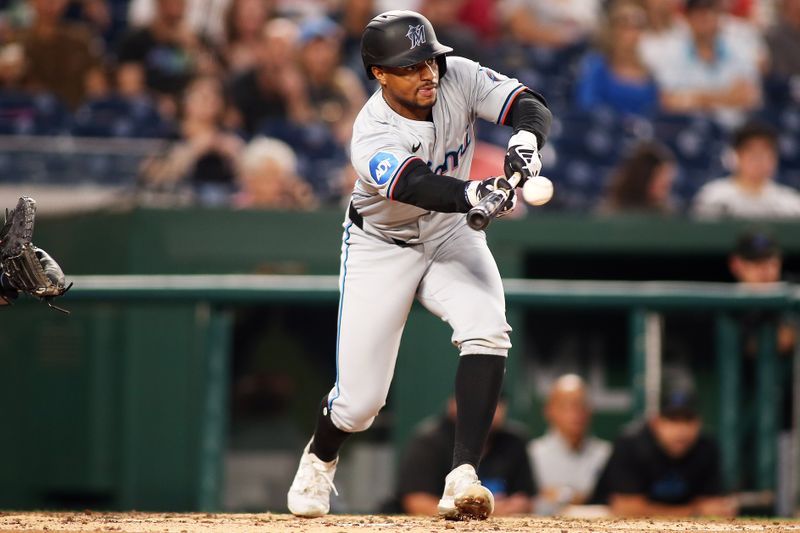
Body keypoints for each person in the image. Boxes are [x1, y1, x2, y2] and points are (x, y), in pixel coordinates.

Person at [285, 9, 552, 521]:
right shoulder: (370, 132)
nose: (427, 73)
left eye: (429, 59)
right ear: (379, 74)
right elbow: (412, 184)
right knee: (360, 405)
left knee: (488, 329)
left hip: (450, 234)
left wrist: (524, 141)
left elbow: (528, 104)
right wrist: (475, 190)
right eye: (409, 66)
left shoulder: (458, 76)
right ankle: (320, 457)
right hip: (382, 244)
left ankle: (462, 476)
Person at [596, 375, 738, 517]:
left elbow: (713, 506)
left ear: (699, 423)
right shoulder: (631, 443)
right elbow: (626, 510)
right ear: (656, 422)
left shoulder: (707, 447)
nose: (681, 430)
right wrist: (695, 511)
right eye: (672, 419)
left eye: (688, 419)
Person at [395, 396, 536, 516]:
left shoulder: (513, 441)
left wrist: (500, 508)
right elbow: (416, 502)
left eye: (492, 403)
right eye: (474, 403)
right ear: (453, 404)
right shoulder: (429, 441)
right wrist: (474, 511)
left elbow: (527, 498)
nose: (482, 411)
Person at [649, 0, 762, 125]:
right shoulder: (672, 52)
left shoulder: (738, 48)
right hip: (690, 130)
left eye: (709, 12)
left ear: (719, 16)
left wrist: (697, 98)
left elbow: (750, 96)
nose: (704, 18)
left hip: (735, 129)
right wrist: (726, 96)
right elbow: (668, 101)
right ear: (687, 19)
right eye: (697, 14)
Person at [528, 374, 611, 515]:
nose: (576, 412)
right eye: (566, 405)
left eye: (581, 405)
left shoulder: (607, 454)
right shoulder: (531, 454)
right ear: (549, 410)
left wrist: (559, 496)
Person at [692, 120, 800, 219]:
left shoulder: (791, 203)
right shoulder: (713, 196)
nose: (760, 160)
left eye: (767, 154)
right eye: (753, 153)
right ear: (737, 155)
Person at [575, 1, 659, 117]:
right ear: (613, 29)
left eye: (638, 27)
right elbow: (587, 105)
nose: (632, 34)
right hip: (605, 131)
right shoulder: (596, 65)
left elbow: (653, 110)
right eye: (625, 26)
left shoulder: (648, 70)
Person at [15, 0, 103, 109]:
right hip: (28, 115)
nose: (50, 3)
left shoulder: (81, 38)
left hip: (73, 114)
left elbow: (96, 81)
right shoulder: (16, 40)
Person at [234, 136, 318, 210]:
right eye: (269, 179)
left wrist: (304, 201)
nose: (279, 186)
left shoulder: (286, 207)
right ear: (249, 180)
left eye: (280, 179)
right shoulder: (236, 208)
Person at [598, 141, 677, 215]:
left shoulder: (667, 216)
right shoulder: (613, 213)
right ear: (644, 179)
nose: (666, 193)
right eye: (664, 186)